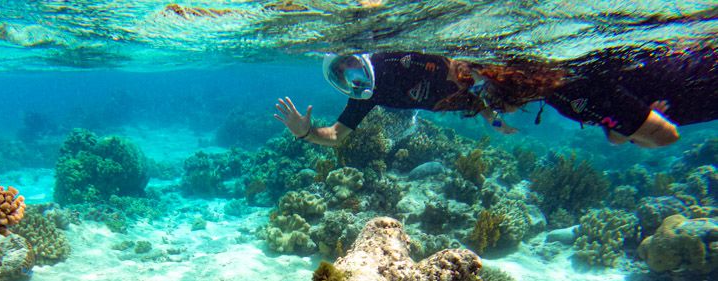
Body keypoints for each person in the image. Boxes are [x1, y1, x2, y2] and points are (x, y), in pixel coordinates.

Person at [276, 46, 716, 149]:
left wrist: (632, 119)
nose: (352, 81)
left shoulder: (572, 90)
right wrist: (304, 133)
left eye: (351, 68)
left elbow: (663, 137)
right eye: (342, 79)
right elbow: (337, 135)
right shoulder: (369, 92)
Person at [474, 44, 717, 148]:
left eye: (491, 89)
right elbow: (613, 136)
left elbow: (667, 136)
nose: (488, 97)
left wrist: (640, 130)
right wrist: (637, 127)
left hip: (702, 82)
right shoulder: (558, 89)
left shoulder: (574, 94)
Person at [273, 51, 516, 149]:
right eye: (341, 74)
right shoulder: (365, 95)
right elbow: (337, 136)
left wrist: (488, 86)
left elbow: (457, 69)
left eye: (350, 62)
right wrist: (306, 133)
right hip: (453, 101)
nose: (350, 73)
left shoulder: (392, 59)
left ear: (360, 55)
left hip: (480, 79)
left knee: (518, 88)